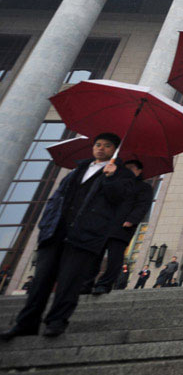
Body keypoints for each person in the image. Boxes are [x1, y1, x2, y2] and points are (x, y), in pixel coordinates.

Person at [1, 133, 133, 340]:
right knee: (41, 280)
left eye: (107, 146)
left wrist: (110, 178)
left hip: (84, 235)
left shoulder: (122, 175)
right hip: (56, 232)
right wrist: (46, 225)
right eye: (98, 144)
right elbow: (57, 197)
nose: (101, 149)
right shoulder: (78, 169)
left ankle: (57, 321)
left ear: (115, 150)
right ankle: (26, 323)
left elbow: (118, 201)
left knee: (70, 281)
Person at [86, 159, 154, 295]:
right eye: (126, 167)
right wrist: (109, 177)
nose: (128, 170)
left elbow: (142, 206)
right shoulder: (115, 183)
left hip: (123, 226)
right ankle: (86, 283)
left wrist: (131, 220)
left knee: (115, 257)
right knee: (94, 256)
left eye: (132, 168)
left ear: (139, 171)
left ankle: (104, 284)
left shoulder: (143, 187)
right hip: (104, 224)